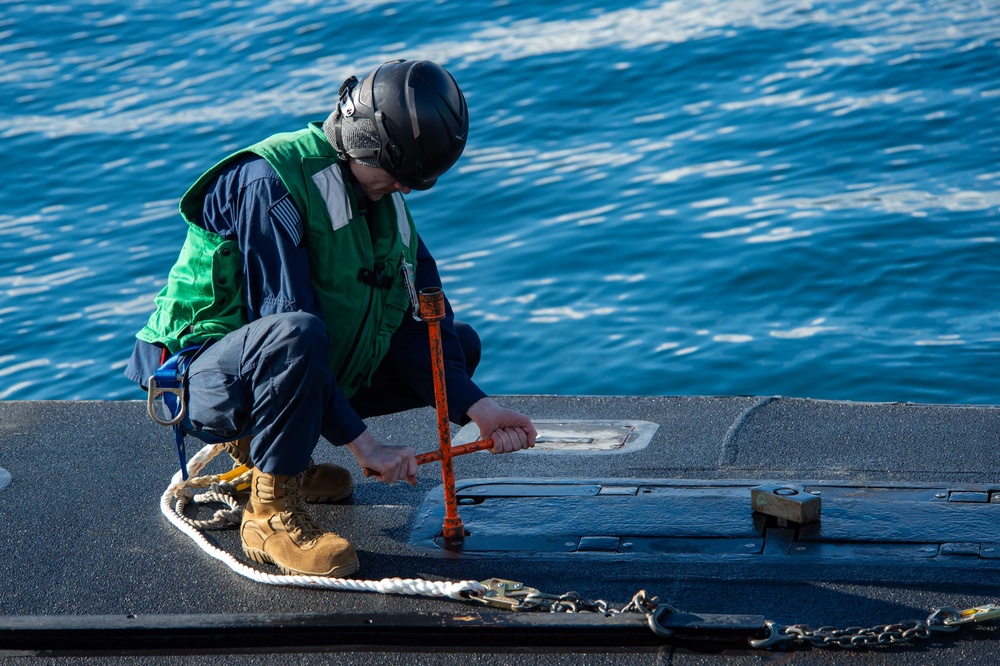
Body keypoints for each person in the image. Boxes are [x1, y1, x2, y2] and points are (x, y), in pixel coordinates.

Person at [126, 60, 536, 578]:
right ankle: (271, 510)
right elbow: (283, 326)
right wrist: (365, 444)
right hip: (197, 377)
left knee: (456, 345)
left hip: (274, 362)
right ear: (365, 144)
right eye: (400, 176)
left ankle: (272, 457)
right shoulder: (270, 183)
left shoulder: (381, 198)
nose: (406, 191)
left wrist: (481, 408)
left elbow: (419, 326)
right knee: (297, 333)